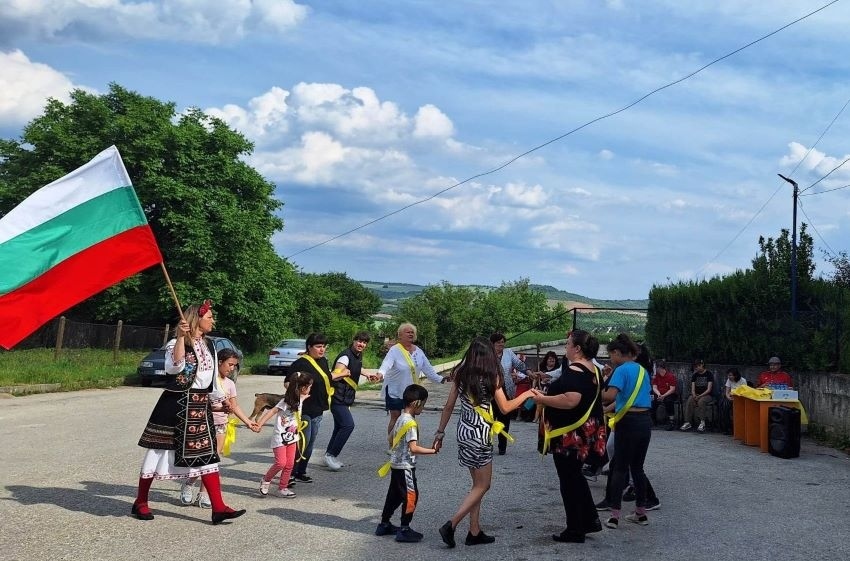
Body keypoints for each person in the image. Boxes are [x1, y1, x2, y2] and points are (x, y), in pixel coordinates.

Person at [133, 300, 246, 524]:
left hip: (200, 405)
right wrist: (181, 339)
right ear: (197, 319)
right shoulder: (177, 342)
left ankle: (219, 507)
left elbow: (211, 380)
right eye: (210, 317)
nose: (213, 320)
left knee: (208, 455)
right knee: (158, 451)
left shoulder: (211, 346)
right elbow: (173, 367)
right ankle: (141, 502)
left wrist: (220, 401)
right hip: (176, 403)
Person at [434, 337, 534, 548]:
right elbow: (506, 408)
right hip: (480, 434)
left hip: (464, 431)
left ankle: (474, 531)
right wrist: (528, 395)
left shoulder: (461, 374)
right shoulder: (491, 375)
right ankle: (451, 524)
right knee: (484, 484)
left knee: (476, 486)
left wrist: (440, 433)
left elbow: (448, 406)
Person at [530, 330, 605, 543]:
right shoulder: (593, 370)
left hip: (569, 436)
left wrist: (544, 399)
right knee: (576, 477)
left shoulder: (574, 371)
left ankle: (575, 528)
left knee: (569, 480)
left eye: (568, 343)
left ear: (577, 348)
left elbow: (571, 400)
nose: (566, 347)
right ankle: (589, 520)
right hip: (583, 434)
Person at [180, 348, 259, 507]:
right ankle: (188, 484)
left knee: (213, 460)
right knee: (201, 459)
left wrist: (248, 422)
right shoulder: (207, 380)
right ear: (219, 362)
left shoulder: (230, 384)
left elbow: (234, 406)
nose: (231, 369)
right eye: (229, 364)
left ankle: (203, 493)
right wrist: (219, 409)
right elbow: (198, 405)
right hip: (202, 424)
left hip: (221, 425)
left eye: (234, 366)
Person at [600, 333, 653, 529]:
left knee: (620, 468)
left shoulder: (621, 370)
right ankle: (641, 513)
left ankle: (614, 515)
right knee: (638, 468)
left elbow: (610, 395)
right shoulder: (642, 370)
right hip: (645, 421)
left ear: (616, 352)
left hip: (627, 421)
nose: (610, 359)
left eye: (610, 355)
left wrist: (598, 389)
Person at [376, 384, 439, 543]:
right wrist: (433, 451)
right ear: (416, 403)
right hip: (406, 467)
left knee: (394, 495)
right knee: (412, 496)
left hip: (395, 464)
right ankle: (404, 528)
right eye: (423, 404)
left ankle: (384, 523)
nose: (423, 409)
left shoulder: (399, 419)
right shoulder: (410, 423)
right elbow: (414, 447)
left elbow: (390, 439)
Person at [376, 323, 448, 440]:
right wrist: (380, 374)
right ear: (400, 335)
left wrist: (441, 379)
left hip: (411, 391)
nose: (411, 333)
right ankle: (392, 444)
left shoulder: (418, 351)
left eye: (412, 332)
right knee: (396, 417)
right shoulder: (394, 350)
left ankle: (409, 443)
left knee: (410, 417)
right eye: (407, 332)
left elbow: (428, 369)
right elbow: (386, 365)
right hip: (395, 390)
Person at [256, 372, 313, 498]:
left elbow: (301, 399)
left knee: (290, 464)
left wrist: (304, 397)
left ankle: (283, 487)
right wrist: (259, 424)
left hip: (293, 437)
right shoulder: (285, 401)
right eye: (309, 386)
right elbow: (271, 411)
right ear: (302, 388)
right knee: (280, 463)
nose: (310, 389)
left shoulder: (300, 399)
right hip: (280, 438)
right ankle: (266, 480)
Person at [325, 331, 375, 471]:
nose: (361, 344)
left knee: (339, 427)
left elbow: (357, 368)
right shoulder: (345, 357)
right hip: (338, 397)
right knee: (348, 425)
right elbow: (333, 375)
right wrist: (343, 373)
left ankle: (329, 454)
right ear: (353, 341)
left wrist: (367, 374)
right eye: (359, 341)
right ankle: (331, 455)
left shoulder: (356, 356)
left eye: (364, 342)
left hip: (345, 398)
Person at [288, 333, 333, 484]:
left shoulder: (324, 362)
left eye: (324, 347)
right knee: (302, 442)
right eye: (318, 346)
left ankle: (302, 471)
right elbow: (288, 382)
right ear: (309, 347)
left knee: (311, 442)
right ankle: (291, 473)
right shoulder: (301, 363)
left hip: (318, 408)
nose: (322, 350)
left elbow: (328, 378)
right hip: (304, 409)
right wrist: (298, 395)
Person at [490, 332, 531, 455]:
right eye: (498, 343)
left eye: (503, 342)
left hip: (506, 390)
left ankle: (502, 447)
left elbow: (519, 365)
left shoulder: (508, 353)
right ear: (492, 344)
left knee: (504, 420)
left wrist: (528, 370)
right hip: (490, 392)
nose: (501, 345)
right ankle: (486, 445)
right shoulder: (487, 355)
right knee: (489, 420)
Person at [680, 359, 714, 433]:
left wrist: (700, 396)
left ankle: (702, 423)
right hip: (697, 394)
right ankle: (687, 422)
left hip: (707, 395)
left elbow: (709, 389)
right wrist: (694, 395)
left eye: (698, 366)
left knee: (701, 402)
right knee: (689, 400)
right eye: (695, 367)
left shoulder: (709, 374)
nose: (697, 368)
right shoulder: (695, 375)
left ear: (702, 365)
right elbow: (692, 388)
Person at [532, 351, 561, 423]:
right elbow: (535, 378)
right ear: (546, 360)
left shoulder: (558, 369)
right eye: (550, 359)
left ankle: (538, 417)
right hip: (540, 387)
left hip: (551, 389)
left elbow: (559, 378)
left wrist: (549, 379)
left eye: (553, 359)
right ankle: (537, 417)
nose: (552, 360)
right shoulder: (541, 368)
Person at [650, 360, 678, 431]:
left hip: (669, 394)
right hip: (659, 393)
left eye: (656, 367)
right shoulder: (656, 376)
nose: (655, 369)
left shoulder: (670, 376)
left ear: (660, 368)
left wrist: (664, 396)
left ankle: (671, 421)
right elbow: (654, 387)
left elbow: (672, 389)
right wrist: (659, 394)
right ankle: (653, 420)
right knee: (652, 400)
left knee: (669, 401)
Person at [720, 367, 748, 435]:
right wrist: (728, 397)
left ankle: (736, 428)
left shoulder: (743, 381)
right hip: (731, 397)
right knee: (724, 405)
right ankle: (727, 427)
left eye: (730, 375)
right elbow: (727, 391)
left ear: (735, 375)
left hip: (739, 398)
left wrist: (736, 397)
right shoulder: (729, 380)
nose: (729, 377)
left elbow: (745, 392)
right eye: (728, 375)